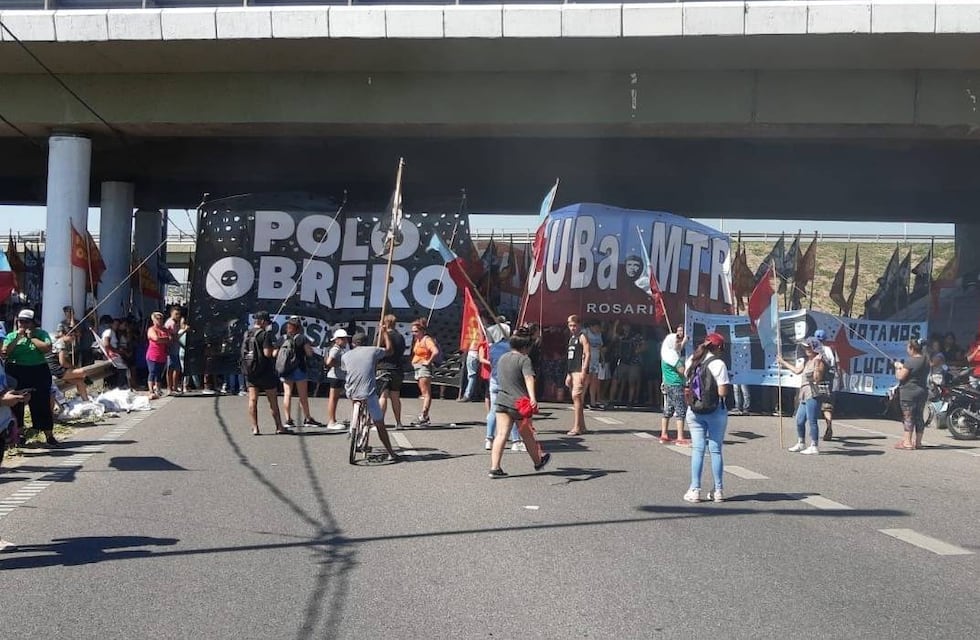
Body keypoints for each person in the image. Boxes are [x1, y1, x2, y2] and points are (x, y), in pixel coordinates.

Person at [488, 327, 551, 478]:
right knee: (527, 434)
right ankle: (538, 462)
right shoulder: (524, 360)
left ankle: (494, 468)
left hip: (502, 400)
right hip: (519, 404)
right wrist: (533, 398)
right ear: (525, 347)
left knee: (501, 434)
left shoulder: (503, 358)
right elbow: (529, 378)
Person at [682, 333, 731, 503]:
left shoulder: (692, 360)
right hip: (716, 411)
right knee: (715, 450)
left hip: (694, 410)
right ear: (718, 347)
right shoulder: (719, 364)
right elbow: (722, 392)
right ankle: (718, 490)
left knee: (698, 450)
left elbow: (686, 381)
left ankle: (695, 489)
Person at [1, 309, 58, 447]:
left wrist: (31, 337)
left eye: (26, 322)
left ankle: (48, 434)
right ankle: (19, 435)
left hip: (38, 370)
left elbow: (46, 348)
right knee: (17, 403)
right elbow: (5, 352)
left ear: (32, 323)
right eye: (21, 321)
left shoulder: (41, 334)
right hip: (17, 370)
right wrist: (18, 338)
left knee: (41, 402)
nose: (23, 324)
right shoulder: (11, 335)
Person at [341, 332, 400, 461]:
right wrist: (385, 334)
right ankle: (391, 452)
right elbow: (390, 351)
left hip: (351, 392)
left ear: (353, 343)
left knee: (355, 399)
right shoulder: (373, 351)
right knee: (379, 423)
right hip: (368, 393)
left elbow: (347, 370)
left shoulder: (345, 356)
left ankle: (355, 427)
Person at [243, 311, 291, 436]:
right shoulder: (265, 335)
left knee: (252, 400)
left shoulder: (247, 333)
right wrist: (276, 348)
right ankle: (279, 426)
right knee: (272, 401)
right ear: (263, 322)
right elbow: (268, 354)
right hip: (265, 372)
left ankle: (255, 427)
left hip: (250, 371)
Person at [777, 337, 826, 455]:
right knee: (799, 420)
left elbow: (817, 379)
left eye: (809, 347)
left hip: (813, 393)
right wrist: (783, 362)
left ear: (815, 348)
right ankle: (801, 442)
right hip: (803, 393)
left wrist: (817, 364)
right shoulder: (806, 361)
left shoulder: (819, 361)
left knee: (812, 420)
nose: (807, 349)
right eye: (805, 347)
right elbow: (797, 371)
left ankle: (814, 445)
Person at [278, 316, 321, 428]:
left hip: (286, 369)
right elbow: (309, 353)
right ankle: (307, 418)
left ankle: (288, 419)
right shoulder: (302, 338)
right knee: (303, 395)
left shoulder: (282, 338)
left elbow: (274, 354)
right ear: (299, 328)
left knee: (287, 394)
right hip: (299, 368)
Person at [484, 332, 521, 452]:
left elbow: (491, 360)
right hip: (507, 382)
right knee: (513, 411)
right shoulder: (512, 348)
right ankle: (516, 441)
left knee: (493, 411)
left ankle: (489, 439)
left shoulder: (493, 347)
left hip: (494, 379)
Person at [894, 339, 929, 450]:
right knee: (919, 416)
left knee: (908, 416)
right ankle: (918, 442)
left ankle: (907, 442)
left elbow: (900, 376)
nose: (907, 350)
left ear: (912, 349)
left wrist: (898, 367)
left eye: (908, 347)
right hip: (922, 391)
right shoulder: (926, 360)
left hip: (909, 393)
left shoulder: (910, 361)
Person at [659, 324, 690, 444]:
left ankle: (664, 434)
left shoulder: (666, 353)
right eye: (676, 341)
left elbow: (678, 349)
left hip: (668, 384)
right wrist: (687, 372)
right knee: (680, 411)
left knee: (668, 409)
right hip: (676, 384)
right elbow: (681, 370)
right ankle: (680, 437)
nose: (678, 342)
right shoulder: (672, 356)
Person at [376, 314, 406, 430]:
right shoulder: (400, 337)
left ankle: (380, 423)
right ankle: (398, 422)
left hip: (384, 367)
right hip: (397, 369)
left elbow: (376, 349)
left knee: (383, 396)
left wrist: (381, 333)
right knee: (395, 396)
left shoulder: (382, 336)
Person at [45, 328, 91, 403]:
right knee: (83, 372)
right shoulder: (61, 343)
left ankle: (86, 401)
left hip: (54, 369)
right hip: (55, 369)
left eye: (74, 335)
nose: (73, 337)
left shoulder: (62, 342)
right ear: (64, 335)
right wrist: (73, 368)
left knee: (80, 382)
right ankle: (84, 385)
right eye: (71, 335)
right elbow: (62, 362)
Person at [564, 314, 591, 436]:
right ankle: (582, 426)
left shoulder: (582, 337)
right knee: (576, 399)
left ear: (579, 325)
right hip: (572, 371)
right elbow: (571, 358)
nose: (572, 328)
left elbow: (587, 353)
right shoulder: (571, 338)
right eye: (570, 325)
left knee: (577, 397)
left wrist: (584, 371)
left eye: (574, 325)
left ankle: (577, 427)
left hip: (579, 371)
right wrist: (569, 374)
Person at [410, 320, 440, 426]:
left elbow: (435, 351)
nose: (414, 333)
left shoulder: (427, 340)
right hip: (417, 368)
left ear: (422, 330)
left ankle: (424, 416)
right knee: (423, 393)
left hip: (423, 368)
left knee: (426, 393)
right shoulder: (418, 340)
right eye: (413, 331)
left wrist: (428, 361)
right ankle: (425, 416)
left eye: (416, 331)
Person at [813, 329, 839, 440]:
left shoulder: (816, 350)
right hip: (831, 380)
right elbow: (838, 365)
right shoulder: (832, 350)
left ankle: (813, 430)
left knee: (812, 404)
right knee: (827, 407)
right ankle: (829, 426)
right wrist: (840, 380)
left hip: (819, 380)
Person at [324, 328, 350, 430]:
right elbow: (329, 362)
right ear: (337, 340)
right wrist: (340, 365)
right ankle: (331, 421)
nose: (345, 341)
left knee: (335, 399)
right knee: (333, 399)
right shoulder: (336, 349)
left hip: (338, 376)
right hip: (335, 377)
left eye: (345, 339)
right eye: (343, 339)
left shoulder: (341, 349)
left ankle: (333, 420)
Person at [145, 311, 171, 399]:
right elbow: (155, 338)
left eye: (161, 319)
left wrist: (163, 339)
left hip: (162, 355)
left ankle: (158, 389)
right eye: (158, 319)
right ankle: (151, 390)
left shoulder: (164, 329)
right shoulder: (151, 329)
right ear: (153, 320)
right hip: (153, 355)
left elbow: (170, 339)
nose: (160, 320)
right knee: (152, 372)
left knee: (159, 373)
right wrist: (164, 339)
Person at [583, 318, 606, 410]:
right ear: (591, 326)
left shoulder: (599, 334)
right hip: (587, 359)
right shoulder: (585, 332)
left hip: (596, 360)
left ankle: (593, 402)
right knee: (586, 380)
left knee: (594, 381)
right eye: (596, 327)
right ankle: (581, 400)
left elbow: (600, 347)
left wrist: (603, 358)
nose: (597, 329)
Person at [164, 306, 184, 394]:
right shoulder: (170, 323)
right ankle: (171, 388)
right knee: (172, 368)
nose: (178, 316)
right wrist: (183, 330)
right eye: (176, 314)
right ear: (171, 313)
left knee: (176, 368)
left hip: (176, 349)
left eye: (179, 314)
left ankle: (174, 387)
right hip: (171, 349)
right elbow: (174, 337)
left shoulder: (176, 323)